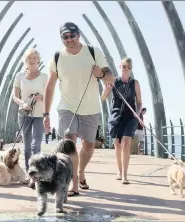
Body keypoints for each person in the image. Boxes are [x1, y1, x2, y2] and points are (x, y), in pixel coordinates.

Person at [43, 22, 115, 196]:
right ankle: (73, 181)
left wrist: (101, 74)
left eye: (72, 36)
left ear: (78, 35)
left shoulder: (92, 52)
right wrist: (46, 113)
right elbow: (50, 85)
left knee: (89, 146)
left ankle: (81, 171)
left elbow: (110, 76)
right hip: (67, 107)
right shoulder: (57, 57)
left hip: (90, 107)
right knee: (68, 145)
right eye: (65, 37)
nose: (69, 40)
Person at [101, 57, 143, 185]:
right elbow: (103, 97)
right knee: (117, 145)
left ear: (131, 69)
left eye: (129, 67)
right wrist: (107, 90)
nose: (126, 69)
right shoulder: (113, 81)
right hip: (116, 116)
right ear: (120, 67)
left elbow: (140, 103)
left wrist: (138, 113)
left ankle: (125, 175)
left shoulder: (135, 83)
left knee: (126, 143)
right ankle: (119, 171)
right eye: (124, 66)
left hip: (130, 116)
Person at [12, 48, 48, 188]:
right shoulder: (19, 76)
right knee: (27, 146)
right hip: (24, 113)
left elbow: (49, 95)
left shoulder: (44, 77)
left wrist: (42, 97)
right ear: (25, 61)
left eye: (34, 58)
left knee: (36, 144)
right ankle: (29, 173)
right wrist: (23, 103)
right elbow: (14, 96)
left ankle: (36, 173)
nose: (32, 61)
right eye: (29, 58)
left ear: (38, 60)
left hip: (39, 113)